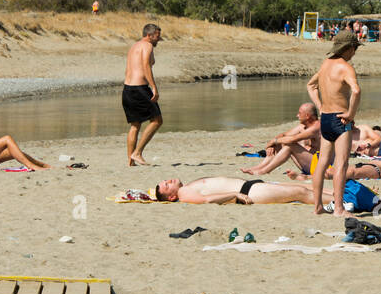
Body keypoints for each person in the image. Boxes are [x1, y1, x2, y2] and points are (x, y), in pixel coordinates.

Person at [307, 29, 361, 216]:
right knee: (341, 164)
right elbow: (356, 91)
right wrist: (351, 115)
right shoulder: (345, 67)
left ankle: (317, 207)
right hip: (340, 119)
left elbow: (311, 85)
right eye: (354, 48)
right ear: (348, 48)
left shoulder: (325, 64)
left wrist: (320, 106)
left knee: (322, 163)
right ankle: (338, 208)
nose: (355, 52)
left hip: (326, 118)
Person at [123, 23, 163, 166]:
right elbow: (146, 65)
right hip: (140, 88)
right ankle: (137, 153)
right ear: (149, 35)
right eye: (157, 36)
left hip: (127, 89)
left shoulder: (134, 46)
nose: (159, 39)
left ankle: (130, 161)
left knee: (135, 125)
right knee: (157, 120)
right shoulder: (147, 46)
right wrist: (154, 87)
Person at [242, 103, 320, 176]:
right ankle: (259, 168)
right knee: (282, 142)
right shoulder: (302, 127)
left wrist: (273, 141)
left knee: (290, 145)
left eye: (299, 113)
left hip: (319, 167)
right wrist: (272, 145)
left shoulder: (316, 127)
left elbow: (292, 139)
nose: (297, 115)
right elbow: (283, 135)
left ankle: (264, 171)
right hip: (308, 164)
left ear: (307, 116)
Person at [141, 176, 319, 206]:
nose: (168, 181)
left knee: (310, 187)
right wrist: (234, 195)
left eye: (165, 180)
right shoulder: (183, 193)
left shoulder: (185, 187)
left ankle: (344, 195)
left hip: (251, 185)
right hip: (249, 191)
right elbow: (207, 200)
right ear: (171, 197)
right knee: (300, 192)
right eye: (166, 185)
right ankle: (343, 203)